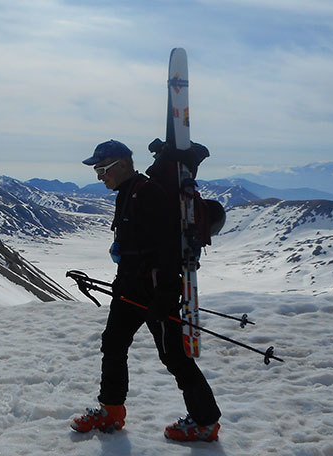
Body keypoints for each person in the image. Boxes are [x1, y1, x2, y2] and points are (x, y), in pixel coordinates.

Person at [71, 139, 222, 442]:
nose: (100, 176)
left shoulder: (147, 193)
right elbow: (132, 246)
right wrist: (122, 278)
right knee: (113, 343)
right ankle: (111, 410)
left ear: (122, 164)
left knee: (174, 356)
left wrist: (166, 295)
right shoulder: (126, 194)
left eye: (103, 168)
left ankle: (205, 422)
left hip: (155, 290)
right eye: (97, 170)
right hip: (130, 287)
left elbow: (166, 245)